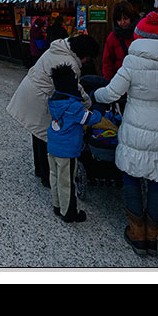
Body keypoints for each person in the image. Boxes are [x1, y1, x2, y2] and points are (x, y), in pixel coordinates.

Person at [93, 12, 158, 257]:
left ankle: (137, 233)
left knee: (132, 176)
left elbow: (112, 93)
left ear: (139, 36)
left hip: (136, 123)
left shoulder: (132, 61)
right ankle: (152, 238)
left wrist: (96, 96)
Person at [7, 36, 94, 188]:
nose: (87, 61)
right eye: (88, 57)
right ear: (83, 53)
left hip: (29, 89)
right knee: (46, 137)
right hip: (39, 96)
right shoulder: (70, 63)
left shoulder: (57, 48)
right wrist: (89, 103)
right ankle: (47, 177)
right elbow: (74, 88)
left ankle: (40, 170)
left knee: (37, 133)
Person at [47, 64, 104, 223]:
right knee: (67, 182)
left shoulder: (54, 100)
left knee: (55, 176)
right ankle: (70, 213)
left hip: (52, 146)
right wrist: (99, 109)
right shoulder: (74, 106)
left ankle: (57, 205)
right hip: (67, 151)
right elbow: (92, 118)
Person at [102, 1, 137, 81]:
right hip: (119, 79)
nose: (122, 22)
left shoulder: (139, 34)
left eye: (125, 18)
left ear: (131, 17)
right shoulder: (112, 38)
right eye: (119, 19)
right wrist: (108, 81)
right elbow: (107, 62)